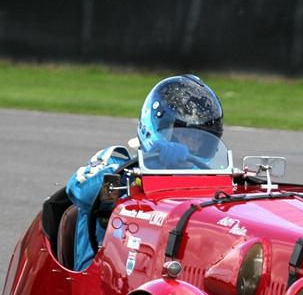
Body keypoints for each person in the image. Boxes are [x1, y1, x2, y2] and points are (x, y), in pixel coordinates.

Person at [66, 74, 225, 270]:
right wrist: (147, 169)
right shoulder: (114, 160)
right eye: (184, 135)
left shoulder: (201, 179)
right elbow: (78, 191)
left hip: (162, 273)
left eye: (200, 140)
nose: (192, 145)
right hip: (100, 273)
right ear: (156, 127)